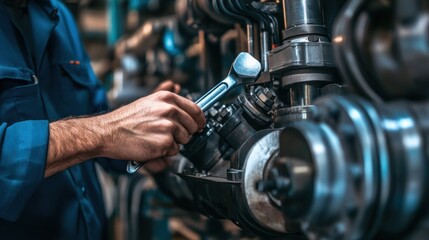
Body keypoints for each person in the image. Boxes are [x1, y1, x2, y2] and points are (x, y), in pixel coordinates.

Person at [0, 0, 205, 239]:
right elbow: (99, 130)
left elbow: (92, 108)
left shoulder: (57, 14)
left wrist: (143, 127)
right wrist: (107, 131)